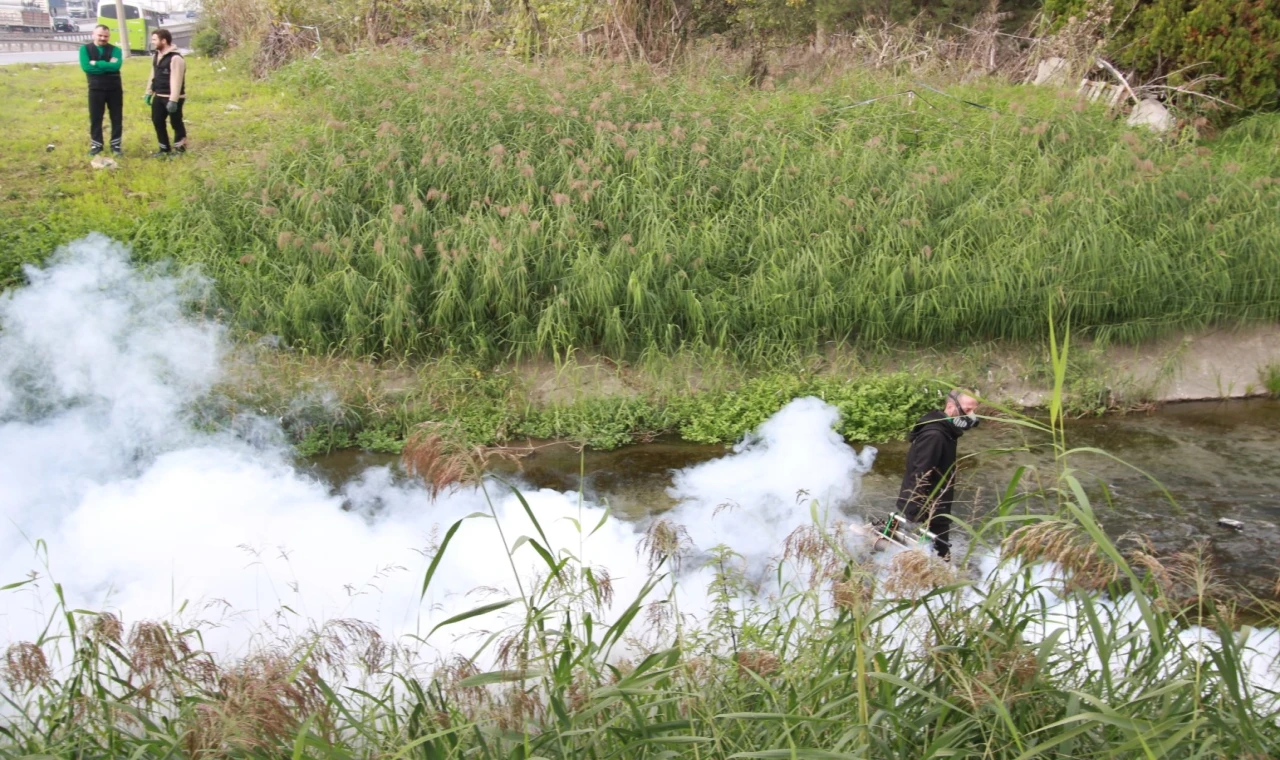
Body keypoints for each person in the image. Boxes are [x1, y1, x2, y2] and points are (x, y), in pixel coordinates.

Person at [895, 389, 980, 561]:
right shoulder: (934, 435)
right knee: (938, 556)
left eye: (973, 410)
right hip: (926, 508)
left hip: (937, 505)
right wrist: (913, 512)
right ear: (950, 407)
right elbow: (920, 473)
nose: (971, 415)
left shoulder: (947, 431)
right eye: (967, 409)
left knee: (935, 554)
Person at [80, 24, 123, 157]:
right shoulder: (85, 49)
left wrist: (97, 63)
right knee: (95, 117)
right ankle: (96, 145)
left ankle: (116, 145)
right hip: (95, 89)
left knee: (116, 117)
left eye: (106, 36)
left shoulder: (116, 50)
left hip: (114, 89)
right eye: (100, 35)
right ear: (93, 34)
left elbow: (116, 66)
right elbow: (87, 67)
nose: (103, 38)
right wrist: (107, 66)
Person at [144, 28, 187, 158]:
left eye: (154, 40)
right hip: (159, 96)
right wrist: (149, 92)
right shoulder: (157, 55)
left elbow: (177, 79)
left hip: (173, 97)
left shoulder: (176, 58)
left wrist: (173, 100)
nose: (152, 42)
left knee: (176, 123)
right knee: (157, 121)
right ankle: (164, 149)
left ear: (164, 40)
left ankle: (180, 150)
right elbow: (154, 74)